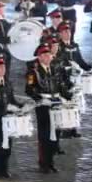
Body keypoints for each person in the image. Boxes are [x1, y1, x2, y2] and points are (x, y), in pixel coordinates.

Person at [26, 43, 72, 174]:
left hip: (56, 104)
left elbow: (60, 85)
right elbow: (29, 89)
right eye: (44, 55)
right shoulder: (32, 72)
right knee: (45, 135)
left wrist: (68, 95)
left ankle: (51, 162)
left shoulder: (54, 69)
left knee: (55, 135)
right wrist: (40, 99)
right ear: (39, 57)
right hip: (43, 106)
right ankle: (43, 163)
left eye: (49, 55)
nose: (48, 57)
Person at [58, 20, 91, 139]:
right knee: (66, 104)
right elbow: (58, 63)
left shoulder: (75, 45)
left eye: (69, 31)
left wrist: (90, 68)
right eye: (65, 31)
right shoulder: (58, 47)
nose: (67, 33)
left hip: (76, 78)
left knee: (76, 103)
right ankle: (66, 129)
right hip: (65, 78)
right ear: (60, 34)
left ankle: (74, 128)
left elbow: (81, 61)